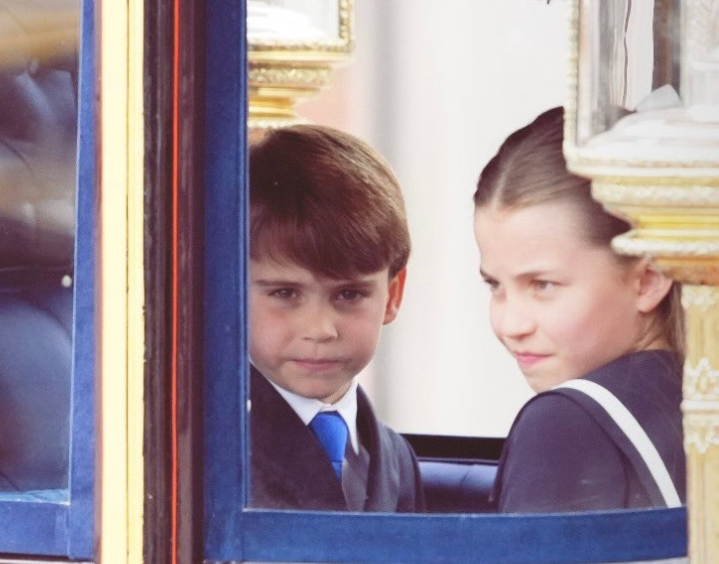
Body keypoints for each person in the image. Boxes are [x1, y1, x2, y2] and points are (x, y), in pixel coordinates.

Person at [474, 107, 684, 513]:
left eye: (543, 285)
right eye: (495, 285)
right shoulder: (694, 395)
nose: (510, 325)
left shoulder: (567, 422)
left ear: (649, 280)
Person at [247, 125, 423, 512]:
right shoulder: (204, 452)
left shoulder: (396, 459)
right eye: (285, 294)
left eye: (349, 294)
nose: (320, 330)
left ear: (392, 295)